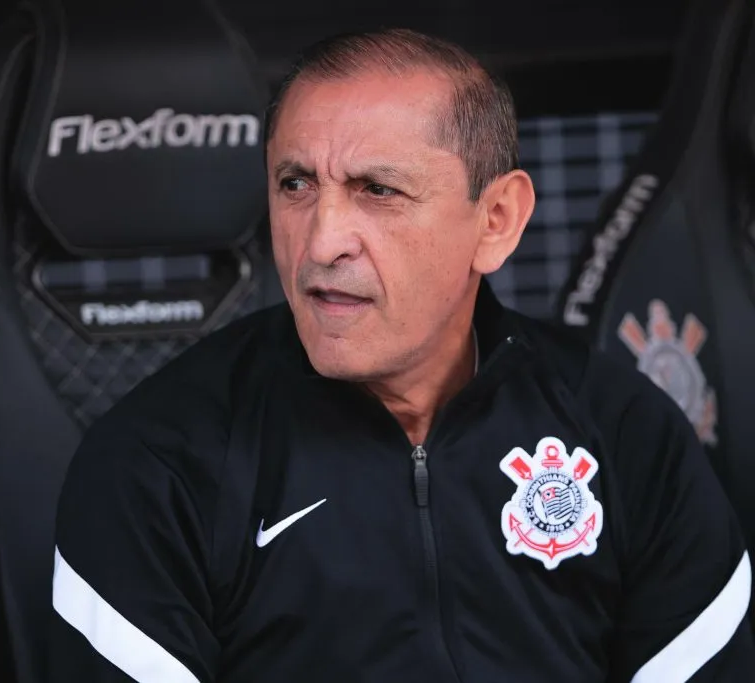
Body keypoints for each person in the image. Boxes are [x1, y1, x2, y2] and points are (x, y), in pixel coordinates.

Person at [45, 28, 754, 682]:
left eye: (377, 190)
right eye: (295, 184)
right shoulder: (157, 464)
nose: (321, 243)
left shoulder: (626, 435)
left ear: (497, 220)